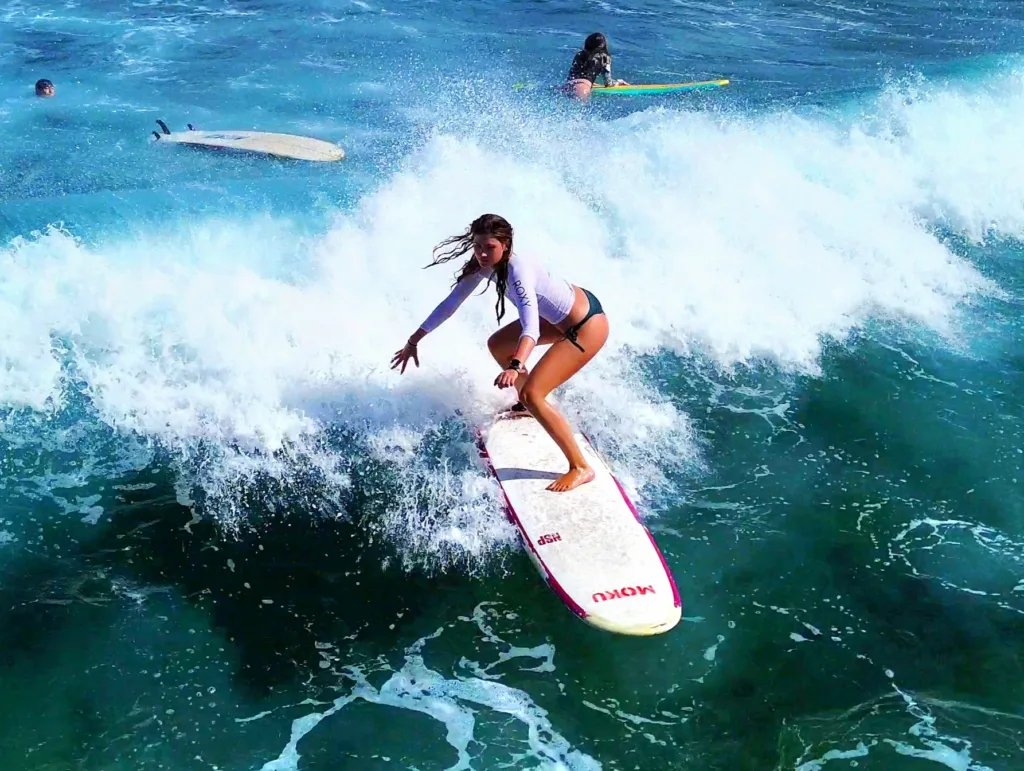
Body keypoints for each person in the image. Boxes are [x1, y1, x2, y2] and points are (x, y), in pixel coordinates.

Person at [391, 214, 609, 493]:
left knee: (533, 393)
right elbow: (450, 304)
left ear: (505, 245)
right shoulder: (483, 264)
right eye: (477, 246)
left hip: (586, 325)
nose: (482, 253)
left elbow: (530, 327)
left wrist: (515, 366)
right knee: (498, 344)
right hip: (560, 317)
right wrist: (414, 339)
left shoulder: (518, 274)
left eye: (489, 247)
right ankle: (528, 406)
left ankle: (580, 467)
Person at [563, 32, 627, 102]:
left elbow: (575, 75)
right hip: (582, 88)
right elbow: (608, 83)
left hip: (567, 86)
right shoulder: (604, 57)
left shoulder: (579, 54)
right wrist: (618, 82)